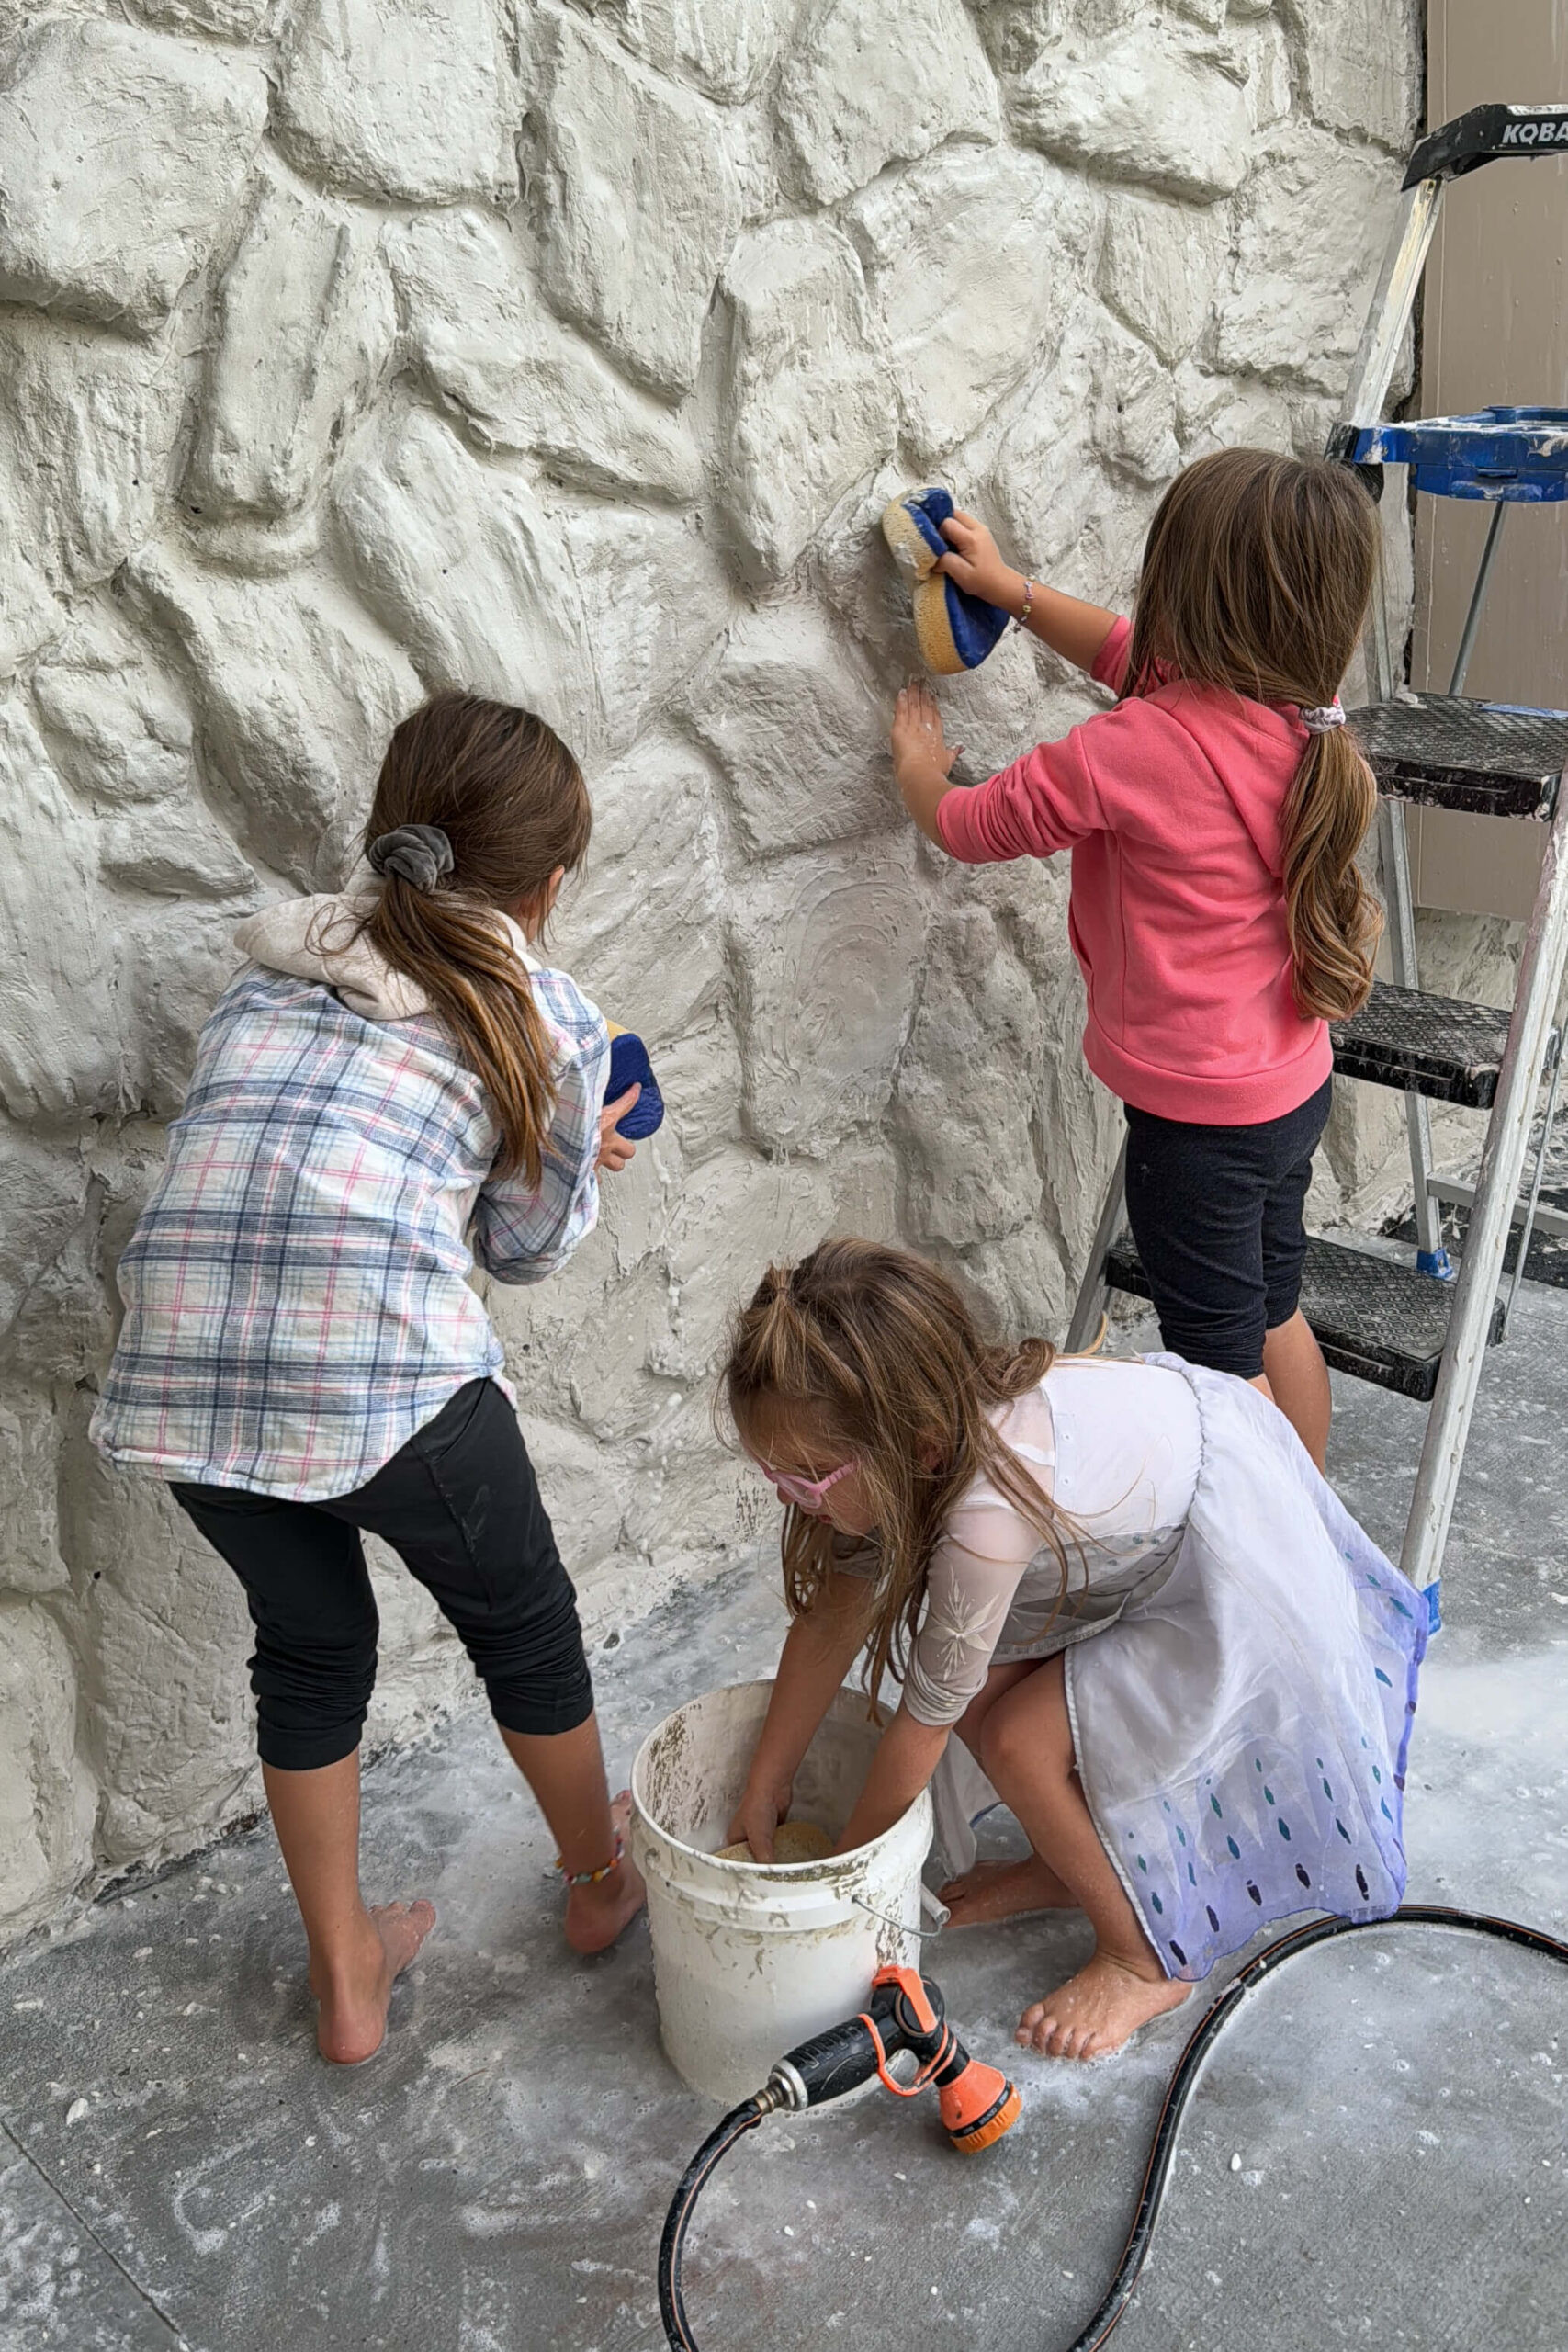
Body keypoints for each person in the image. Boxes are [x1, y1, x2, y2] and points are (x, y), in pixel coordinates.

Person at [93, 694, 647, 2064]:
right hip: (389, 1378)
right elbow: (517, 1251)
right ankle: (596, 1882)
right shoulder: (542, 1014)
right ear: (551, 885)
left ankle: (348, 1973)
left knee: (313, 1651)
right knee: (520, 1620)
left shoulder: (280, 955)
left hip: (182, 1376)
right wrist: (580, 1152)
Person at [722, 1239, 1424, 2062]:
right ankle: (1073, 1867)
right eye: (775, 1475)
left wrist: (839, 1885)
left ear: (911, 1445)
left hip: (1225, 1570)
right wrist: (765, 1783)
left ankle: (1145, 1959)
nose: (791, 1496)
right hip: (1154, 1538)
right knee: (983, 1698)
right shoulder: (917, 1434)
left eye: (806, 1477)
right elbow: (831, 1615)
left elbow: (919, 1726)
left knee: (1019, 1738)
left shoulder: (986, 1516)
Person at [889, 448, 1383, 1471]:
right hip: (1290, 1092)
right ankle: (1315, 1520)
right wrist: (1012, 592)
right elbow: (1126, 651)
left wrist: (918, 776)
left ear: (1185, 592)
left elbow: (979, 825)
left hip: (1198, 1127)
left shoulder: (1138, 747)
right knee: (1275, 1313)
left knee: (1215, 1380)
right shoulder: (1302, 710)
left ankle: (1257, 1571)